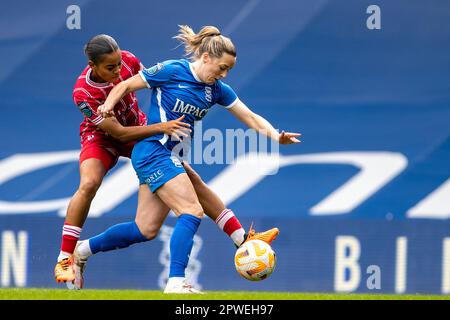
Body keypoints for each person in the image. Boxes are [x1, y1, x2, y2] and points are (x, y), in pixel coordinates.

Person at [74, 25, 300, 294]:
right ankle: (176, 282)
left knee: (145, 228)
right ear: (206, 58)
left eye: (229, 70)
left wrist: (276, 136)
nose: (224, 74)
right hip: (152, 151)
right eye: (222, 67)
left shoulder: (216, 89)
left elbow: (249, 117)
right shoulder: (172, 70)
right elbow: (124, 84)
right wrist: (108, 104)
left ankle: (82, 250)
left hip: (169, 155)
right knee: (191, 211)